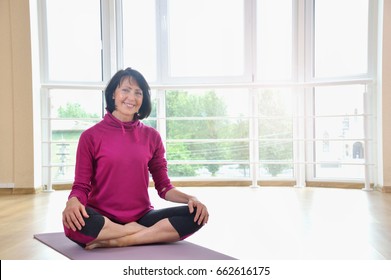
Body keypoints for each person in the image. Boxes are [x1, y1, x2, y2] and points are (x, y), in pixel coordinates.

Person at [62, 67, 209, 249]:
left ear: (143, 99)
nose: (131, 98)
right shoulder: (90, 136)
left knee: (195, 215)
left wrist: (191, 198)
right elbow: (81, 186)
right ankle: (141, 234)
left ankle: (123, 239)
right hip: (102, 218)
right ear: (113, 94)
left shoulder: (152, 136)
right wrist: (73, 202)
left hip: (142, 217)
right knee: (72, 224)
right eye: (125, 90)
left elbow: (164, 187)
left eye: (138, 93)